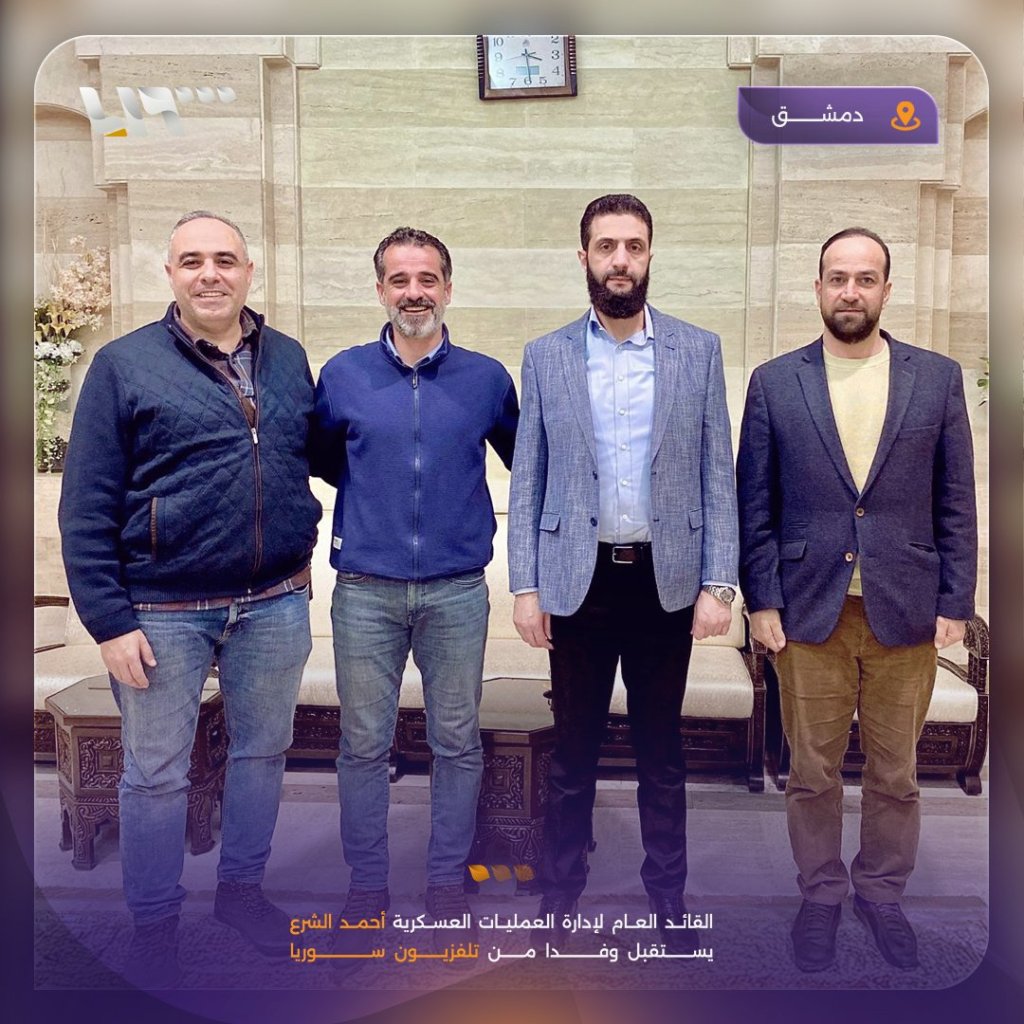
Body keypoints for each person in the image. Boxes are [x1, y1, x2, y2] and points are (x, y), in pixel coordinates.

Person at [58, 211, 322, 987]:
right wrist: (109, 621)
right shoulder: (123, 366)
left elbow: (311, 454)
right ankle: (155, 925)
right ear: (170, 273)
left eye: (225, 260)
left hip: (274, 601)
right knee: (156, 775)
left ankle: (241, 894)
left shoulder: (287, 357)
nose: (210, 274)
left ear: (249, 271)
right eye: (193, 261)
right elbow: (86, 506)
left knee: (262, 754)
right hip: (162, 612)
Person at [736, 227, 977, 972]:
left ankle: (880, 893)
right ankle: (820, 894)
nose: (850, 291)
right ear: (817, 288)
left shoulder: (936, 379)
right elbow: (756, 505)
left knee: (895, 773)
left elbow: (956, 500)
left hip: (906, 608)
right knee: (811, 771)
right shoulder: (776, 382)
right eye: (837, 277)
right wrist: (761, 601)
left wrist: (956, 600)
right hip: (809, 611)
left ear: (886, 290)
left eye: (865, 279)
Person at [507, 193, 738, 953]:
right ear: (583, 258)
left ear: (649, 256)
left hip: (664, 583)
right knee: (572, 754)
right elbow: (529, 478)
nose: (620, 261)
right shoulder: (545, 356)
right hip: (578, 582)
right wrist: (526, 587)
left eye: (633, 246)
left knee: (660, 753)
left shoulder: (697, 350)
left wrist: (719, 583)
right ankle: (560, 891)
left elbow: (716, 473)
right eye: (606, 246)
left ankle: (667, 896)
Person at [310, 227, 518, 949]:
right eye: (399, 280)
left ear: (448, 288)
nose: (414, 292)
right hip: (365, 589)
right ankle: (367, 887)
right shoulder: (343, 375)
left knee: (456, 741)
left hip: (456, 591)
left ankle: (446, 882)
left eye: (427, 278)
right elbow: (327, 460)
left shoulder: (487, 379)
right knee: (363, 745)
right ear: (380, 290)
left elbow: (526, 461)